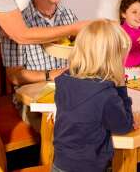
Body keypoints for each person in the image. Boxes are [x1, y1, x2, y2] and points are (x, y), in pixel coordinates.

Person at [53, 19, 135, 172]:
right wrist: (121, 86)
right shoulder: (106, 94)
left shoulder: (63, 80)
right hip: (88, 167)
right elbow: (123, 126)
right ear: (113, 59)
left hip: (60, 163)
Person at [1, 0, 77, 85]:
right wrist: (51, 74)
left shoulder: (69, 15)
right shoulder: (16, 23)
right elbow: (15, 76)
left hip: (69, 89)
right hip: (35, 95)